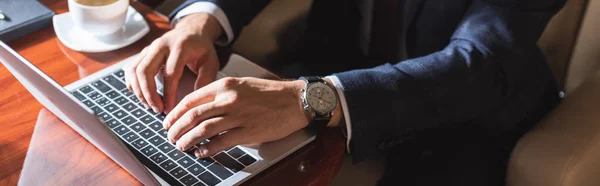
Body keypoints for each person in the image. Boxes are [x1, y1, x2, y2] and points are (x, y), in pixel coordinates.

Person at [124, 0, 566, 185]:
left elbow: (479, 64)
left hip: (465, 119)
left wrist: (315, 98)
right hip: (334, 62)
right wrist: (202, 20)